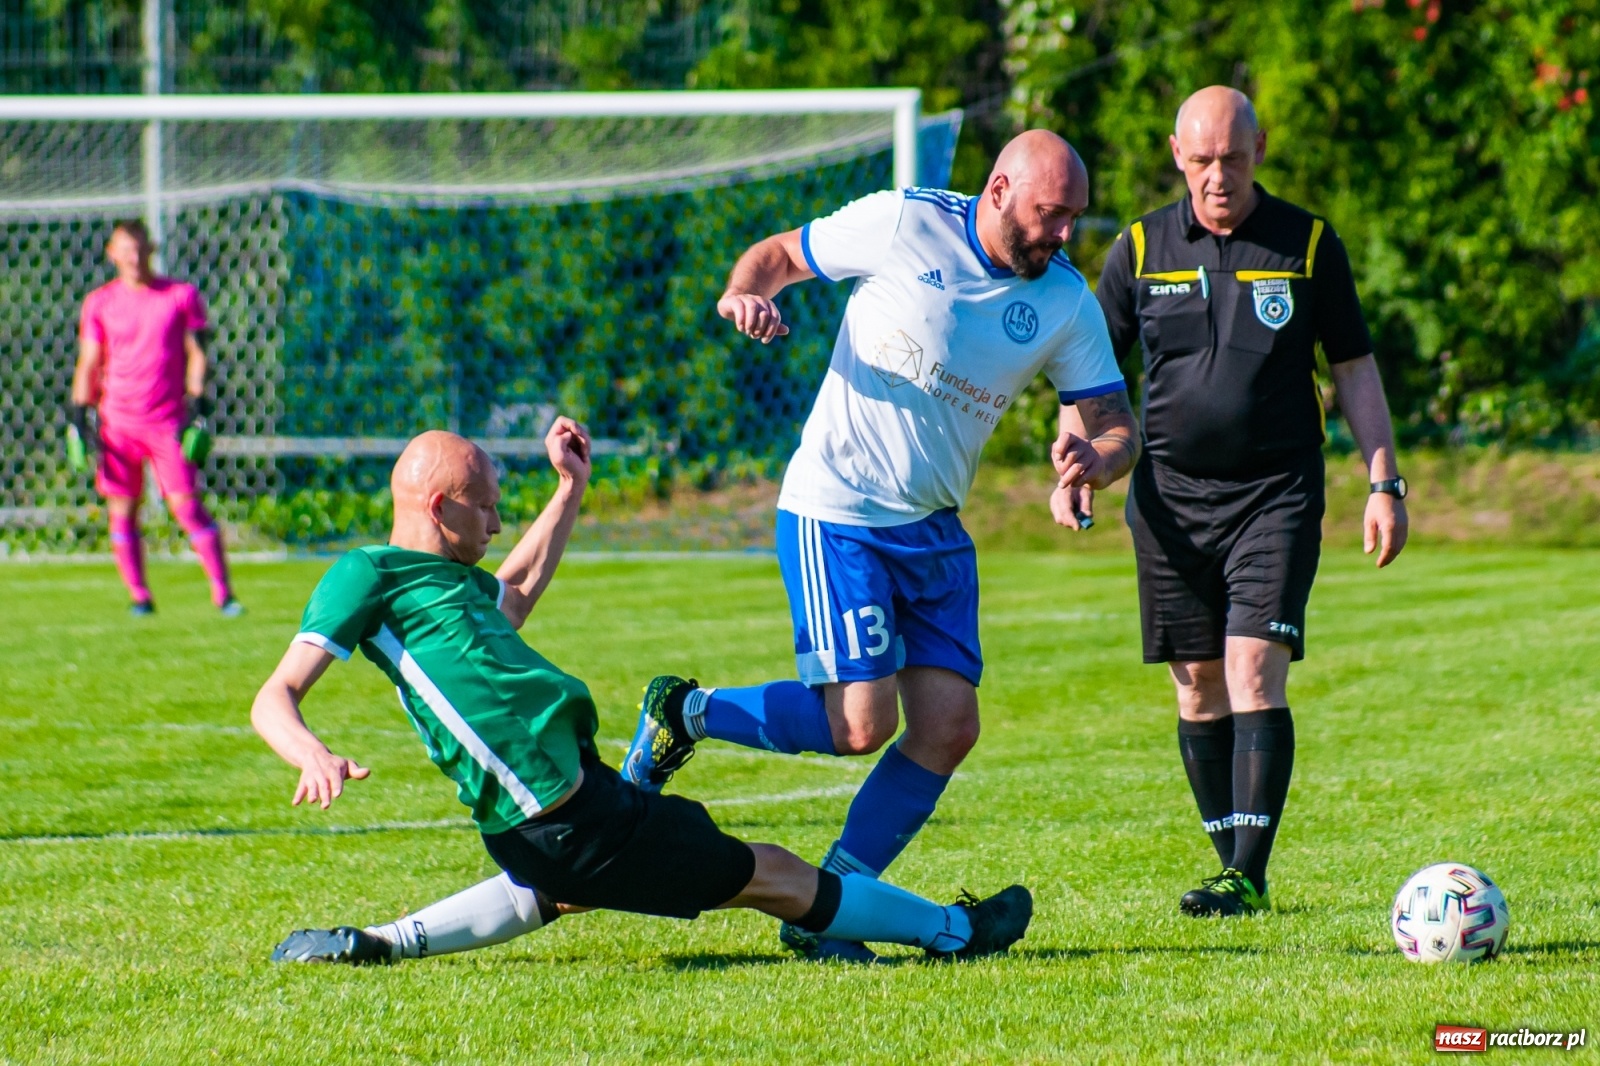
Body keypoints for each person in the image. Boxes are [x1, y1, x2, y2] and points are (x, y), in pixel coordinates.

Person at [621, 130, 1139, 962]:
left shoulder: (1065, 301)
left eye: (1075, 218)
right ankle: (685, 712)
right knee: (860, 724)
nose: (1066, 234)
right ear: (1000, 189)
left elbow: (1117, 424)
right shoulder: (904, 223)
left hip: (934, 529)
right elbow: (780, 254)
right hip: (841, 509)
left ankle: (825, 908)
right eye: (1052, 214)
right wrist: (742, 293)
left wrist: (1095, 462)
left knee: (948, 728)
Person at [254, 424, 1032, 965]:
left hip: (560, 816)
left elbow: (516, 591)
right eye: (486, 505)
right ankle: (955, 932)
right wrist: (312, 751)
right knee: (776, 875)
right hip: (566, 820)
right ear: (438, 507)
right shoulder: (371, 575)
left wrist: (571, 489)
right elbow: (275, 697)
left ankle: (381, 944)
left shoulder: (446, 586)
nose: (496, 519)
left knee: (558, 891)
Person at [1087, 87, 1409, 917]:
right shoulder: (1139, 246)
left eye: (1232, 157)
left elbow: (1354, 366)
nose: (1217, 177)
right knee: (1197, 684)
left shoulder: (1306, 242)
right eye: (1201, 161)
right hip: (1168, 499)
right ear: (1175, 154)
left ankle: (1248, 873)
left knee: (1252, 668)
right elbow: (1087, 367)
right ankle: (1232, 863)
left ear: (1259, 147)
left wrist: (1383, 481)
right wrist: (1079, 455)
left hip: (1277, 491)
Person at [70, 219, 239, 616]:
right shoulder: (99, 302)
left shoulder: (180, 295)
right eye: (125, 248)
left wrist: (198, 404)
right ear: (112, 253)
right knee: (122, 509)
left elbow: (197, 353)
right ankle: (139, 597)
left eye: (140, 247)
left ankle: (223, 594)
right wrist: (78, 412)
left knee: (185, 505)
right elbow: (90, 361)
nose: (133, 256)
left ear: (152, 249)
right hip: (117, 424)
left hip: (167, 422)